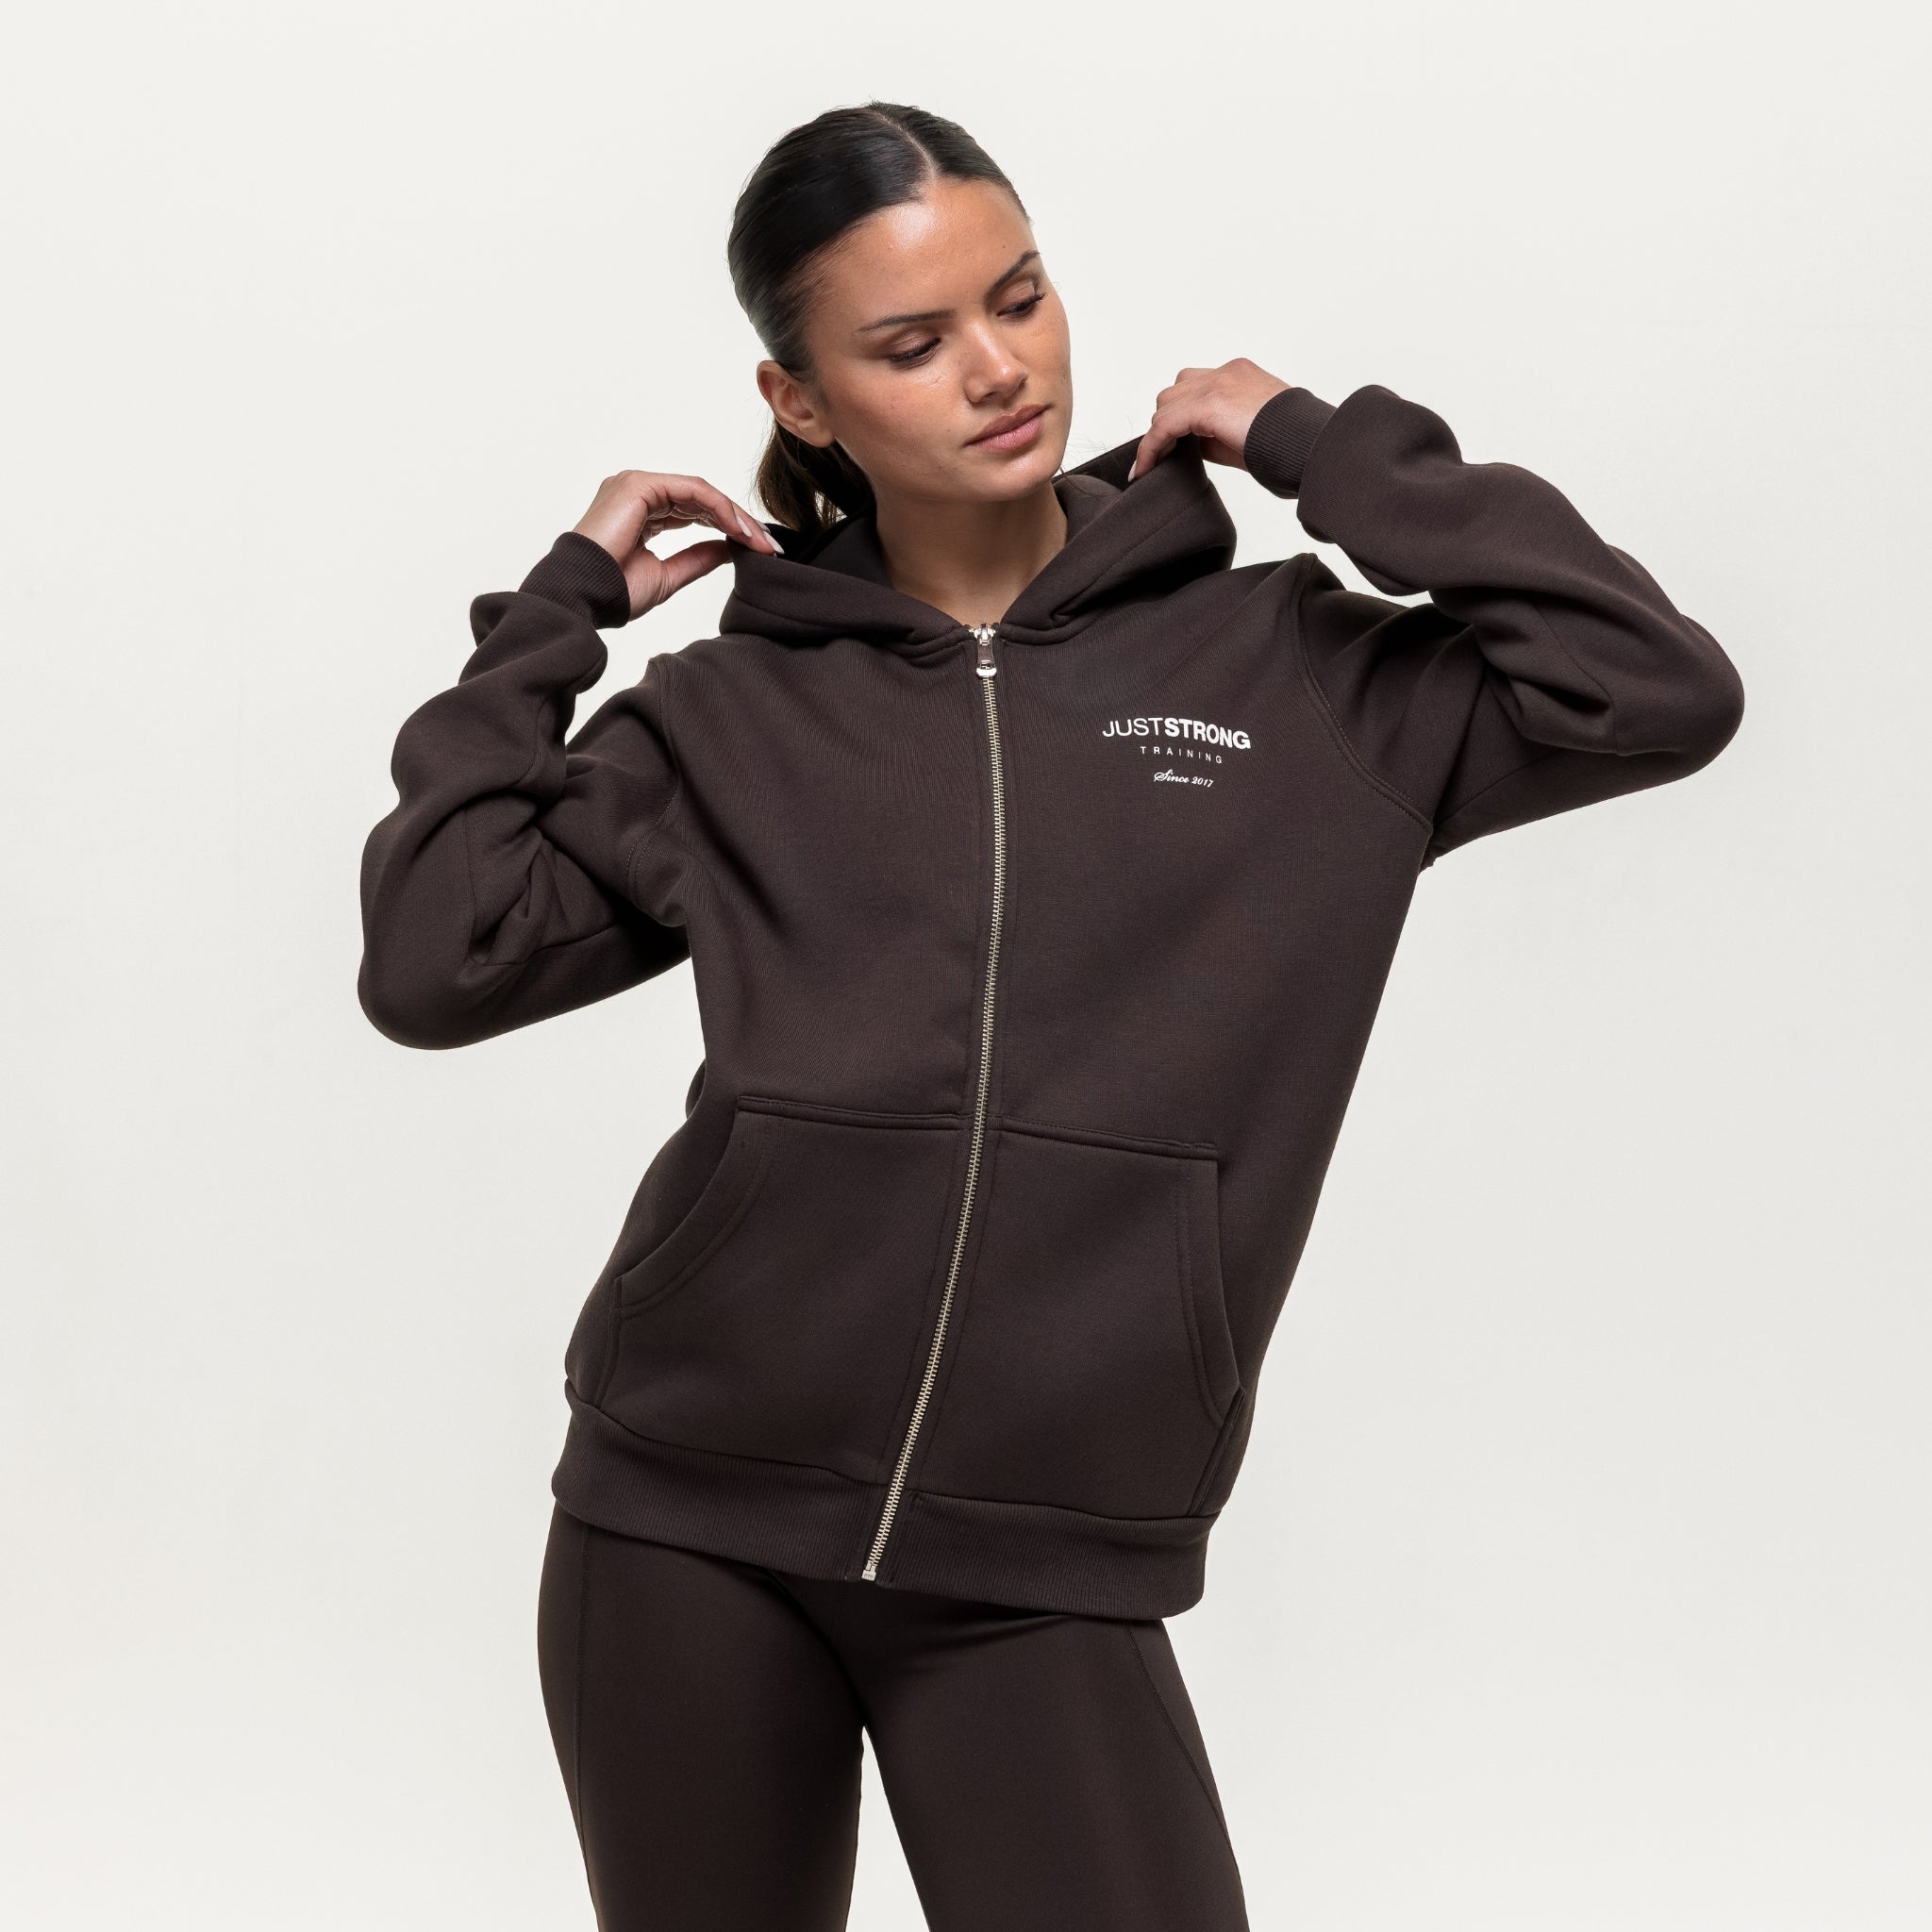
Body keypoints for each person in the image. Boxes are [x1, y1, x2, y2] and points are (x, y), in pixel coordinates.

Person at [356, 100, 1745, 1932]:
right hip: (680, 1516)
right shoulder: (733, 718)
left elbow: (1655, 688)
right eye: (911, 343)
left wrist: (1321, 446)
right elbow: (435, 959)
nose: (998, 369)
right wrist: (555, 616)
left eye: (1018, 299)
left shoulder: (1300, 673)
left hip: (1041, 1560)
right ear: (799, 402)